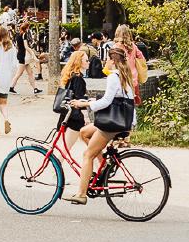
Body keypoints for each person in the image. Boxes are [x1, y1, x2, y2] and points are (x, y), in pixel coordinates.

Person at [65, 44, 138, 204]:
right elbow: (117, 100)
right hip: (121, 120)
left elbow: (106, 102)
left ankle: (81, 194)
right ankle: (103, 166)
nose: (104, 63)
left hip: (112, 123)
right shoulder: (124, 75)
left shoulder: (113, 76)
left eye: (106, 60)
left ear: (112, 61)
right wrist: (89, 101)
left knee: (87, 155)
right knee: (84, 132)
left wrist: (85, 105)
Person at [55, 41, 90, 155]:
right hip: (74, 119)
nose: (88, 62)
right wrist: (86, 117)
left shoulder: (69, 76)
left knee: (90, 147)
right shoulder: (78, 79)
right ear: (79, 62)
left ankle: (100, 166)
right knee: (65, 150)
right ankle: (56, 171)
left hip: (67, 116)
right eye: (86, 60)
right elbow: (78, 100)